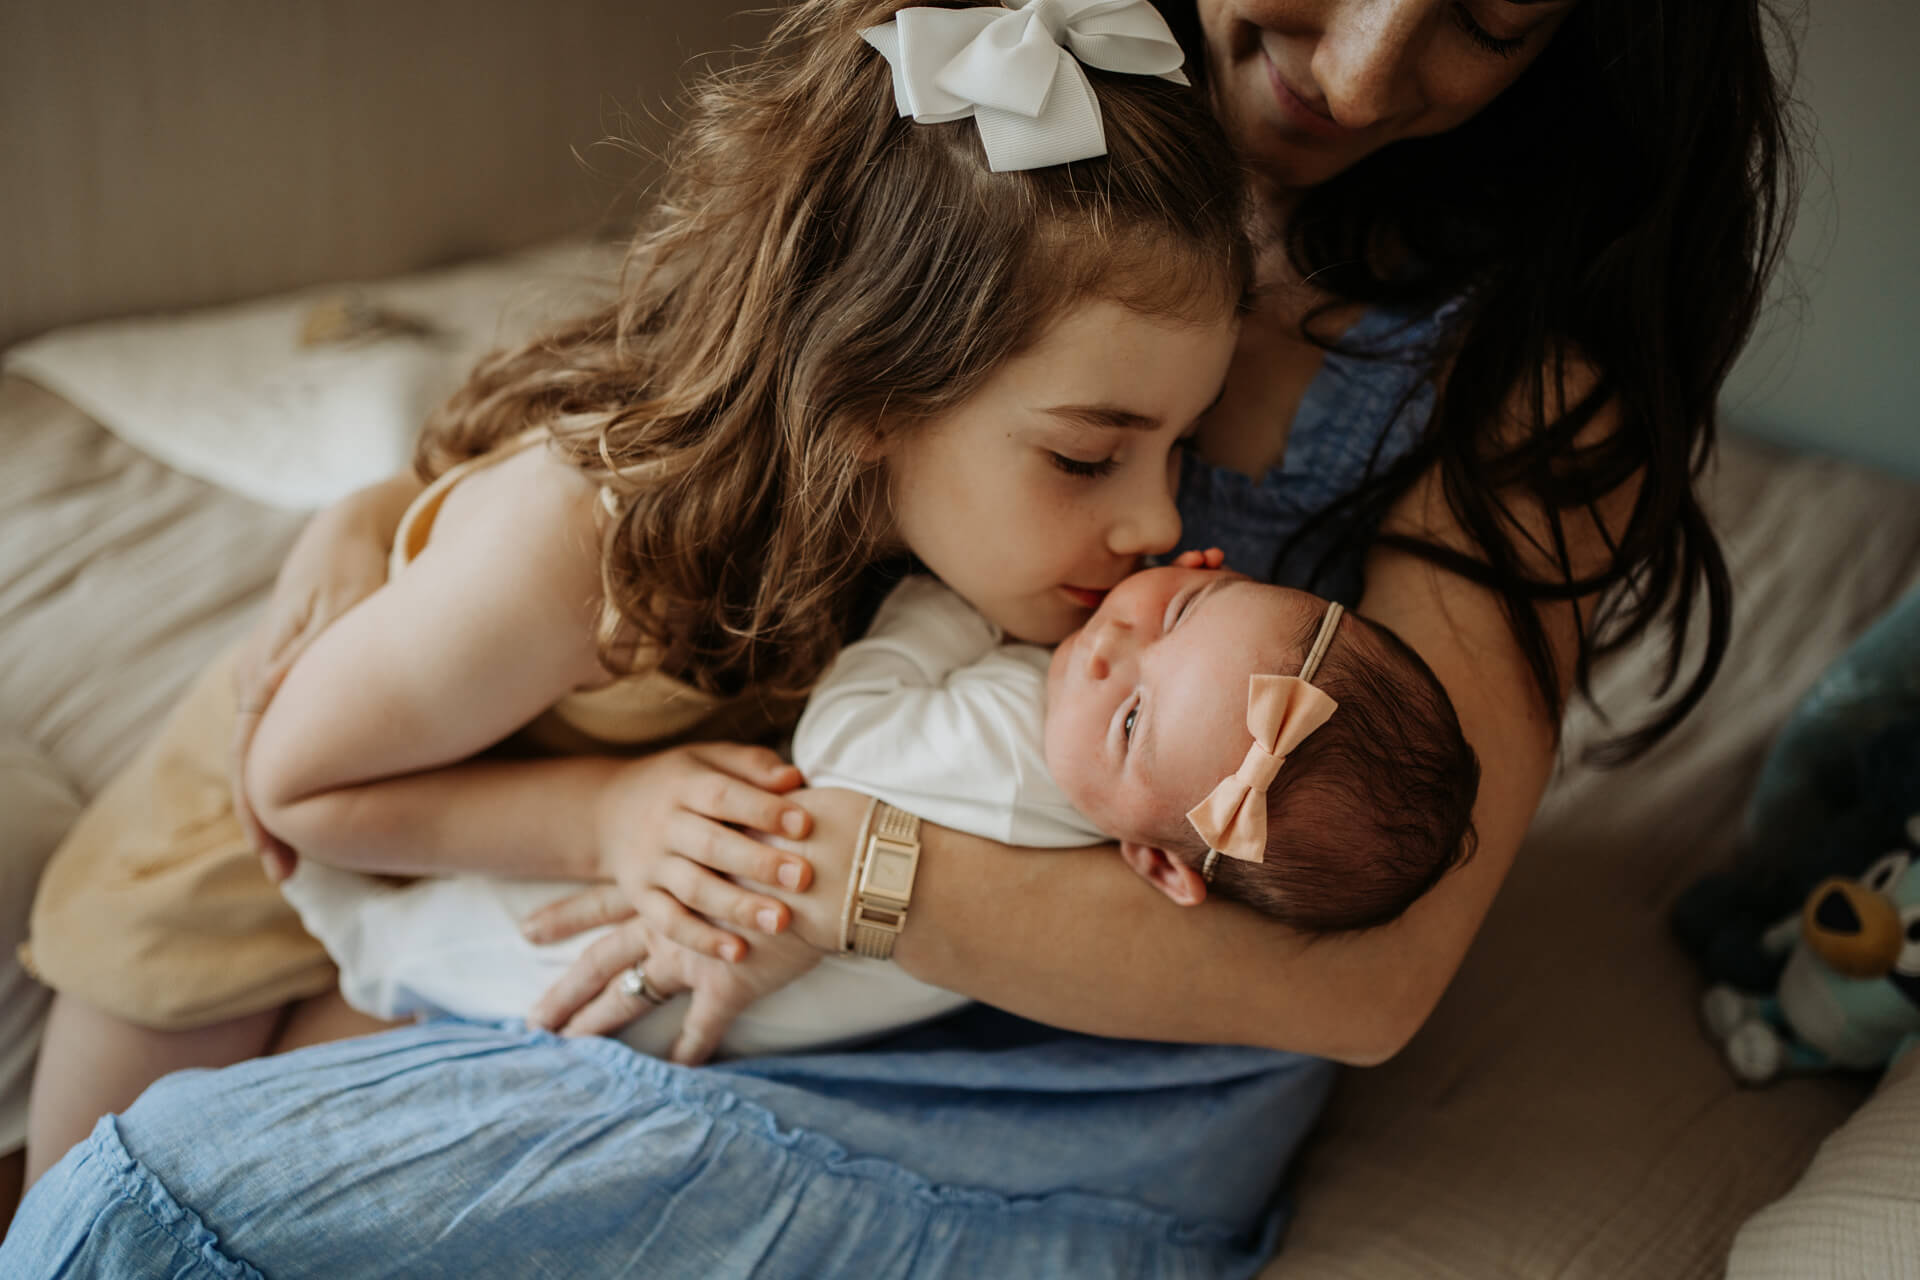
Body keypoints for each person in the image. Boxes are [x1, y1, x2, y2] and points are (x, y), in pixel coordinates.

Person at [3, 0, 1796, 1272]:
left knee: (195, 1189)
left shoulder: (1517, 386)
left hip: (1046, 1059)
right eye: (1095, 455)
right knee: (206, 1113)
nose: (1367, 66)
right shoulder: (1008, 101)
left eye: (1491, 14)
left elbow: (1375, 974)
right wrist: (403, 512)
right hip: (709, 880)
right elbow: (698, 367)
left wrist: (835, 865)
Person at [14, 0, 1248, 1182]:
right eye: (1087, 456)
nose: (1159, 521)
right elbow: (298, 785)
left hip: (447, 891)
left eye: (1180, 447)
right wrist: (607, 816)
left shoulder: (906, 531)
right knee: (84, 1213)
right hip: (242, 882)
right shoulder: (586, 549)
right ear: (868, 393)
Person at [278, 563, 1477, 1058]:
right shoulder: (1107, 794)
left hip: (637, 958)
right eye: (1177, 610)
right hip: (721, 993)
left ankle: (329, 893)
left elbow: (841, 742)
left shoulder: (1010, 757)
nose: (1113, 642)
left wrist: (948, 603)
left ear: (1157, 865)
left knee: (449, 933)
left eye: (1129, 719)